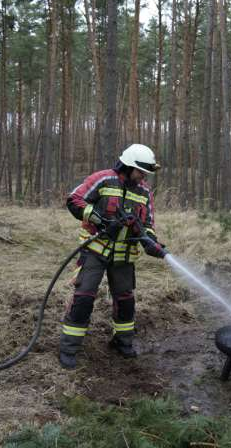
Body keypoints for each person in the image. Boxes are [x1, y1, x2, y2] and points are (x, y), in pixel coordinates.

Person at [59, 144, 167, 368]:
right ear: (127, 166)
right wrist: (99, 219)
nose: (143, 177)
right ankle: (69, 348)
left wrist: (151, 242)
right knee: (84, 297)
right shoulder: (103, 180)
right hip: (95, 250)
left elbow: (148, 224)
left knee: (125, 300)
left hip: (125, 256)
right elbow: (74, 200)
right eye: (140, 172)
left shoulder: (144, 192)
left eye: (145, 173)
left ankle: (122, 342)